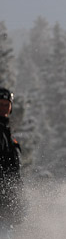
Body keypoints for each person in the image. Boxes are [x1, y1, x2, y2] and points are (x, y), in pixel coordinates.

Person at [0, 87, 23, 226]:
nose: (3, 108)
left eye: (6, 105)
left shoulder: (6, 132)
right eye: (0, 104)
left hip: (9, 197)